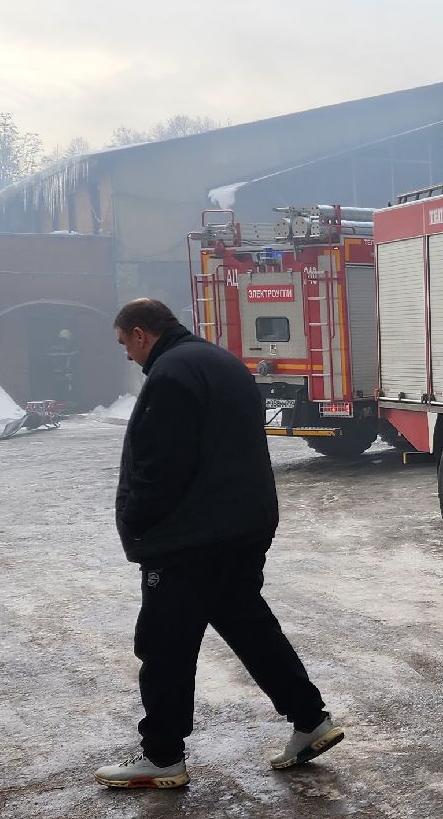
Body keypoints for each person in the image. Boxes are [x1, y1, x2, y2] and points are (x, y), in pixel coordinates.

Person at [96, 298, 343, 789]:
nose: (126, 354)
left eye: (124, 342)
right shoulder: (223, 363)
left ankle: (162, 757)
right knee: (249, 626)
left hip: (190, 537)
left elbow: (161, 466)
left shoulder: (169, 375)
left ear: (142, 334)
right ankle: (309, 719)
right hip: (243, 525)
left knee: (165, 644)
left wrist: (137, 520)